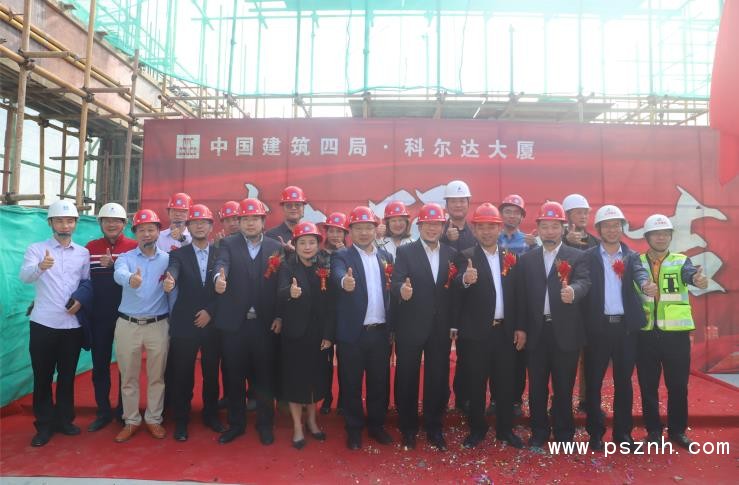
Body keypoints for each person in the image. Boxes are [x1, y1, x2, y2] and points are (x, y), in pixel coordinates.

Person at [581, 205, 656, 451]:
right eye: (607, 226)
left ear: (621, 228)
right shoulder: (589, 256)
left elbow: (640, 274)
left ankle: (623, 434)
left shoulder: (631, 256)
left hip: (625, 330)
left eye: (616, 225)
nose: (612, 230)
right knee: (593, 382)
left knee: (624, 382)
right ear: (599, 229)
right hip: (598, 329)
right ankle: (595, 433)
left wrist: (645, 285)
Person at [517, 201, 590, 448]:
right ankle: (538, 430)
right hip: (536, 333)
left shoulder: (577, 256)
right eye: (545, 226)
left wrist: (574, 291)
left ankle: (564, 431)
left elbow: (584, 282)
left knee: (564, 386)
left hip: (566, 333)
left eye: (555, 226)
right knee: (537, 386)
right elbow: (521, 297)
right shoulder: (527, 260)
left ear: (563, 228)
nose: (549, 231)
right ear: (538, 228)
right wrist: (521, 328)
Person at [454, 203, 526, 449]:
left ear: (499, 229)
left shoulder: (510, 258)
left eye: (491, 227)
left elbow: (518, 296)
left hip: (505, 332)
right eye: (481, 227)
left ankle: (505, 430)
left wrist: (520, 327)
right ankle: (477, 429)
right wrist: (465, 280)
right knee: (475, 383)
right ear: (475, 230)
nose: (486, 232)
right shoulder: (465, 256)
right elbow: (454, 289)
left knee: (505, 383)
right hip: (476, 334)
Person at [19, 200, 90, 447]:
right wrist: (41, 267)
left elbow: (86, 283)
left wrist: (80, 300)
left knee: (67, 377)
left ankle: (64, 420)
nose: (65, 225)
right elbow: (24, 276)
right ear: (50, 223)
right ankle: (44, 425)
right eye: (59, 220)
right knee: (43, 376)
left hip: (71, 327)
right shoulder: (37, 249)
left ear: (75, 224)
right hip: (43, 324)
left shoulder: (82, 253)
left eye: (69, 220)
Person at [214, 198, 283, 445]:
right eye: (245, 219)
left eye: (255, 219)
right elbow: (221, 264)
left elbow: (282, 284)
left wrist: (279, 315)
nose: (250, 223)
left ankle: (265, 425)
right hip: (235, 324)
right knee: (234, 376)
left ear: (263, 221)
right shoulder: (228, 244)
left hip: (265, 324)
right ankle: (236, 424)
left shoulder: (276, 247)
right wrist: (218, 279)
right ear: (239, 222)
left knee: (264, 377)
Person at [636, 214, 708, 448]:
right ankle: (653, 432)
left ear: (670, 237)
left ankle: (677, 431)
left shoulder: (681, 261)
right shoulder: (636, 262)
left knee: (677, 386)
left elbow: (690, 275)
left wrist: (697, 280)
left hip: (675, 336)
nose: (661, 237)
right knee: (648, 386)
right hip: (645, 334)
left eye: (665, 234)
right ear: (647, 237)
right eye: (656, 234)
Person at [391, 203, 457, 451]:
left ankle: (434, 427)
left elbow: (453, 292)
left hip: (440, 327)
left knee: (437, 378)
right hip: (411, 325)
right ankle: (408, 428)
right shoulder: (406, 252)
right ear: (419, 226)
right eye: (427, 224)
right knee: (407, 377)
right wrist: (402, 290)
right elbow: (396, 281)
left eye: (436, 224)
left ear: (442, 227)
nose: (432, 228)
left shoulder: (451, 254)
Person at [331, 206, 395, 450]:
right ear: (350, 231)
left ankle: (377, 426)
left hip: (380, 333)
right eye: (359, 228)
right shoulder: (342, 256)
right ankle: (354, 429)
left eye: (369, 227)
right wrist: (344, 281)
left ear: (376, 229)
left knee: (379, 383)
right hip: (352, 334)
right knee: (351, 384)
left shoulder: (385, 257)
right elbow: (337, 274)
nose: (364, 232)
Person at [163, 204, 225, 441]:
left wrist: (210, 311)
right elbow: (174, 270)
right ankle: (181, 419)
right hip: (184, 323)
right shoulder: (178, 254)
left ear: (211, 227)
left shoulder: (220, 254)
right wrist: (170, 280)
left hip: (212, 323)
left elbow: (226, 290)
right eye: (195, 223)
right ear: (188, 227)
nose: (199, 226)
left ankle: (211, 415)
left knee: (211, 372)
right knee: (183, 373)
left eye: (204, 222)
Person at [112, 209, 171, 442]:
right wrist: (131, 279)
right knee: (128, 376)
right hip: (128, 324)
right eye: (142, 230)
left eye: (151, 229)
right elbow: (119, 274)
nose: (147, 234)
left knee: (157, 376)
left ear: (158, 232)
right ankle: (131, 420)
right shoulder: (126, 258)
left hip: (158, 324)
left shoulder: (167, 259)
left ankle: (154, 419)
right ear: (134, 233)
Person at [277, 221, 335, 449]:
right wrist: (289, 293)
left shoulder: (324, 267)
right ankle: (297, 427)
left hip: (318, 335)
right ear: (295, 244)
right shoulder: (287, 267)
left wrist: (328, 334)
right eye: (303, 242)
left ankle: (312, 421)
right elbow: (279, 294)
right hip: (294, 334)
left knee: (314, 380)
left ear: (318, 244)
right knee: (295, 381)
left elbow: (331, 305)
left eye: (312, 242)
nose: (308, 247)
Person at [85, 203, 137, 432]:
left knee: (127, 366)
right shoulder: (91, 248)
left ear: (124, 224)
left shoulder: (134, 247)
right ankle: (103, 411)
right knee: (100, 366)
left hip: (127, 315)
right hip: (99, 317)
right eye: (107, 220)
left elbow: (137, 280)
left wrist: (115, 265)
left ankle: (125, 411)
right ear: (100, 223)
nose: (112, 224)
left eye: (116, 221)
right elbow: (84, 281)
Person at [496, 194, 538, 417]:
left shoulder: (529, 242)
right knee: (495, 356)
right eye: (507, 211)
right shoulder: (492, 238)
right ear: (501, 214)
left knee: (518, 356)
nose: (511, 216)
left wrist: (535, 247)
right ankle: (495, 399)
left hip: (521, 303)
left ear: (522, 217)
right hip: (497, 303)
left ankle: (515, 400)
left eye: (516, 212)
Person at [214, 200, 255, 412]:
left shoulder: (264, 244)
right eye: (227, 220)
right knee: (229, 363)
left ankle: (254, 396)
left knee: (255, 361)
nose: (232, 223)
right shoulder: (222, 244)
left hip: (258, 316)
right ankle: (231, 398)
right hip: (230, 316)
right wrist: (219, 279)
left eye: (235, 219)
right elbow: (221, 265)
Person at [440, 180, 476, 415]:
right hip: (442, 303)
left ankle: (464, 399)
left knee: (467, 356)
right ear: (447, 204)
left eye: (462, 200)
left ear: (468, 203)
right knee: (439, 356)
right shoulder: (436, 230)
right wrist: (445, 238)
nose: (458, 205)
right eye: (453, 201)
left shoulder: (475, 233)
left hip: (467, 305)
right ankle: (441, 399)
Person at [561, 193, 598, 413]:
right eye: (578, 212)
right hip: (564, 308)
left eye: (585, 212)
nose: (583, 216)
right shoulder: (556, 238)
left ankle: (586, 399)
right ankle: (560, 401)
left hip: (589, 309)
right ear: (567, 216)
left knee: (590, 358)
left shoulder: (595, 241)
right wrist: (567, 242)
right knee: (563, 360)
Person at [319, 211, 349, 415]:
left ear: (346, 233)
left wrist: (344, 254)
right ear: (326, 232)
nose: (335, 235)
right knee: (325, 361)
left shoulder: (352, 254)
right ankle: (327, 397)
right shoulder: (318, 255)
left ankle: (344, 400)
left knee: (346, 361)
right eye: (331, 231)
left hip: (346, 314)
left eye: (339, 231)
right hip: (324, 315)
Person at [265, 185, 307, 251]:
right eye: (289, 205)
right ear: (283, 209)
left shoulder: (309, 234)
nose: (293, 208)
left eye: (297, 205)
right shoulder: (271, 235)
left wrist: (296, 252)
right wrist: (282, 251)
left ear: (303, 208)